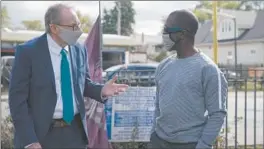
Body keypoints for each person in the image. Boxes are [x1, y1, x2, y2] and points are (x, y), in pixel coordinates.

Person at [9, 3, 128, 149]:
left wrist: (102, 90)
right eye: (73, 27)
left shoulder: (79, 49)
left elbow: (83, 84)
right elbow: (17, 101)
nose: (79, 30)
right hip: (41, 135)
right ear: (54, 28)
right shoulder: (28, 52)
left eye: (79, 25)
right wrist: (30, 140)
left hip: (75, 133)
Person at [148, 10, 228, 149]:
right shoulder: (163, 66)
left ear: (182, 34)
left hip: (190, 144)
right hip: (159, 141)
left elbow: (217, 114)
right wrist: (153, 134)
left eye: (167, 30)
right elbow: (158, 105)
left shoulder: (208, 69)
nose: (163, 34)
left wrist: (203, 145)